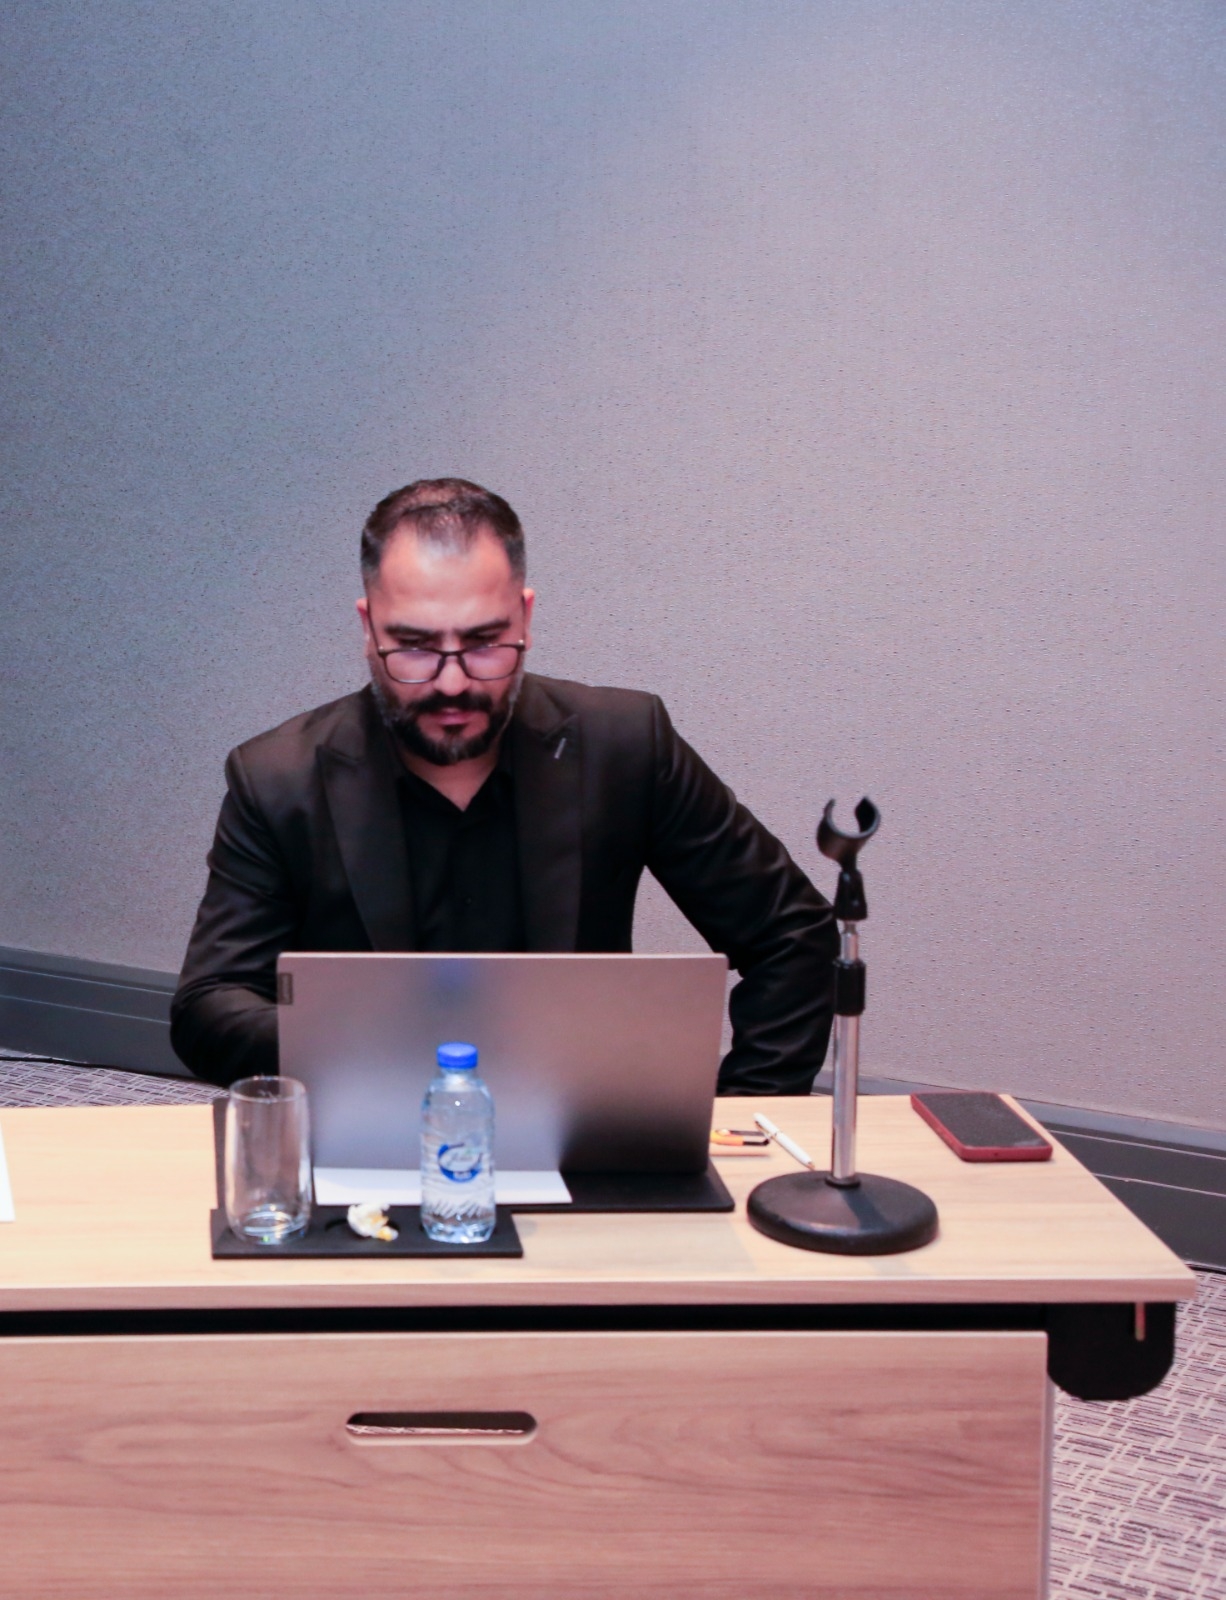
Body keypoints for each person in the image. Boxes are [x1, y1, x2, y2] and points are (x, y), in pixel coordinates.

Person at [171, 478, 838, 1092]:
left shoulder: (626, 744)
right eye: (415, 646)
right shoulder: (278, 778)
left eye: (485, 642)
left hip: (581, 1130)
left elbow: (792, 935)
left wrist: (747, 1114)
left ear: (525, 617)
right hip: (367, 1133)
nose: (452, 681)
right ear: (367, 628)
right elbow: (210, 1006)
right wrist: (373, 1043)